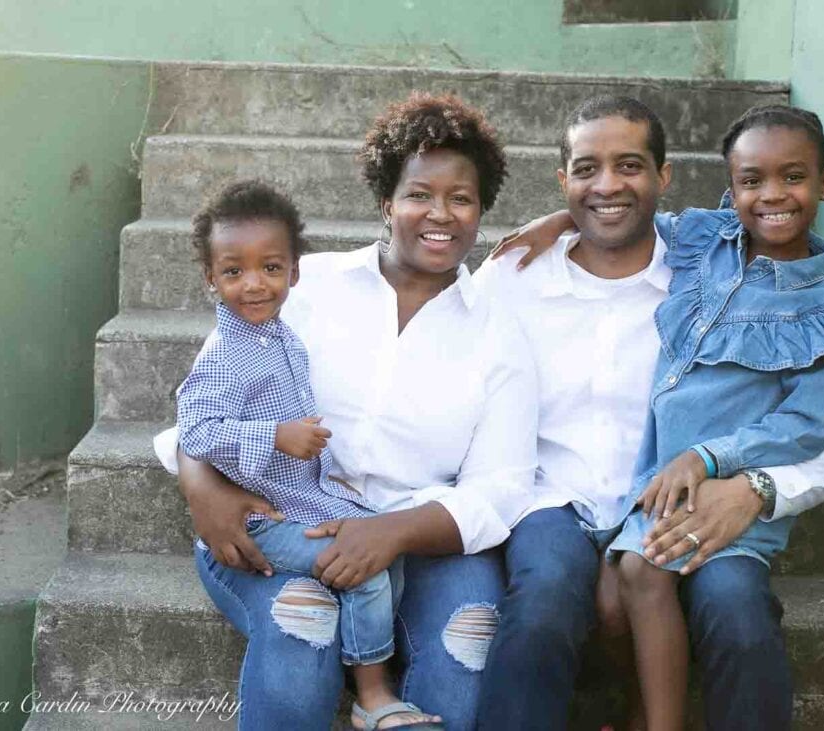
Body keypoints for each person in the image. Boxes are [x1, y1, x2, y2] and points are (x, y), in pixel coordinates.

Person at [475, 95, 824, 731]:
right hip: (556, 500)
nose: (607, 185)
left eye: (629, 166)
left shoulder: (710, 271)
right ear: (564, 180)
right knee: (544, 605)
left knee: (737, 610)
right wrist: (561, 221)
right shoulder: (515, 277)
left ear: (663, 178)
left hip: (688, 498)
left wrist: (753, 489)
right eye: (586, 170)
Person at [155, 93, 539, 731]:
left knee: (469, 639)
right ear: (387, 202)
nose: (439, 214)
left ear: (481, 211)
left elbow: (500, 488)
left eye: (461, 199)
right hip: (287, 523)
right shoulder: (301, 289)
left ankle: (382, 701)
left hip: (422, 538)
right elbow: (200, 408)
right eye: (419, 194)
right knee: (300, 617)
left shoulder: (500, 334)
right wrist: (201, 486)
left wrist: (391, 533)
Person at [175, 179, 444, 730]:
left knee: (383, 552)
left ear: (294, 273)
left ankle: (358, 651)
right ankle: (373, 692)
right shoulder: (226, 354)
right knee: (364, 568)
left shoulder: (282, 337)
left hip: (302, 499)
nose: (254, 284)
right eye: (234, 272)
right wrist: (274, 435)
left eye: (270, 269)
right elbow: (196, 430)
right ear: (211, 278)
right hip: (263, 517)